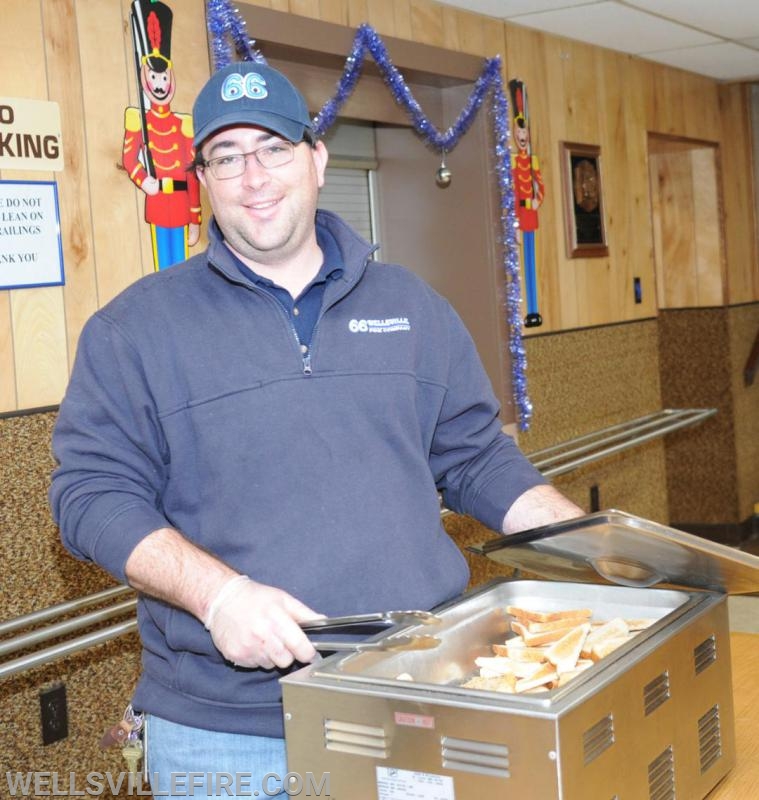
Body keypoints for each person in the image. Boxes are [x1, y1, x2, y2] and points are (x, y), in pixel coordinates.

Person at [50, 61, 583, 797]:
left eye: (273, 148)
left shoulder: (411, 305)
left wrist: (578, 538)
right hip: (228, 734)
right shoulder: (134, 329)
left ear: (316, 158)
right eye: (226, 157)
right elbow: (89, 495)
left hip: (415, 695)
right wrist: (220, 596)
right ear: (200, 178)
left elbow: (470, 454)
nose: (253, 177)